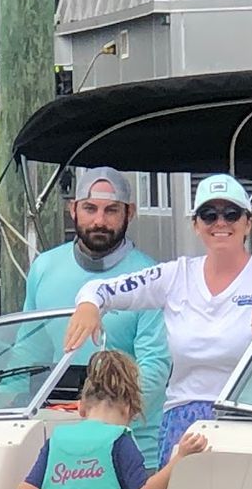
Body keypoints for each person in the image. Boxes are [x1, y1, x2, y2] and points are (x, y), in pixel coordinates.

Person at [64, 174, 252, 463]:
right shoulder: (176, 275)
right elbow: (99, 289)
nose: (221, 223)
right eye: (209, 215)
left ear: (248, 223)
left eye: (232, 214)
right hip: (187, 423)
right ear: (196, 225)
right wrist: (89, 304)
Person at [23, 166, 169, 468]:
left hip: (133, 447)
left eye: (111, 210)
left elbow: (155, 369)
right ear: (73, 209)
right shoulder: (43, 268)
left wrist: (100, 419)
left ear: (129, 213)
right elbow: (27, 352)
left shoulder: (150, 278)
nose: (99, 221)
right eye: (90, 208)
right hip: (59, 439)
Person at [16, 350, 208, 489]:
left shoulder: (56, 440)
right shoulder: (119, 441)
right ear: (128, 409)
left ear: (81, 407)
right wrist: (179, 458)